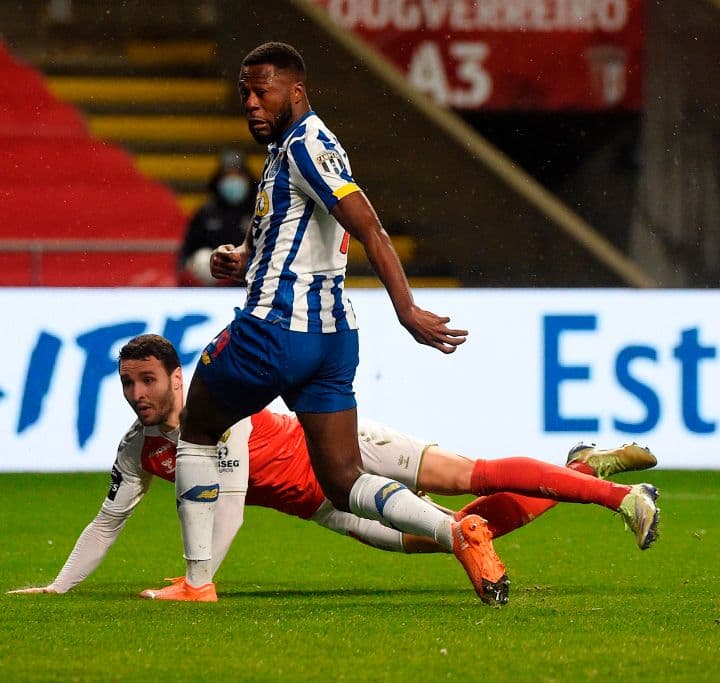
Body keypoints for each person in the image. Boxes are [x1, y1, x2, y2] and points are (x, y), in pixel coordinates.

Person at [168, 40, 495, 602]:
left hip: (273, 330)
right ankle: (455, 529)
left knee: (196, 426)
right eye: (244, 91)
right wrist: (242, 259)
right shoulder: (287, 150)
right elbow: (297, 236)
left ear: (296, 91)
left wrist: (408, 310)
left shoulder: (306, 146)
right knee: (343, 481)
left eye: (261, 90)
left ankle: (197, 582)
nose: (249, 102)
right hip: (332, 341)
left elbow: (372, 229)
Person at [8, 335, 658, 603]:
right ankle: (580, 468)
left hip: (346, 448)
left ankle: (614, 492)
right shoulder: (138, 447)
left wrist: (198, 581)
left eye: (147, 379)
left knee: (474, 473)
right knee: (452, 528)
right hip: (325, 505)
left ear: (176, 378)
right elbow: (107, 519)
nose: (136, 393)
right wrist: (59, 588)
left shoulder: (218, 411)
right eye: (127, 382)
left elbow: (227, 501)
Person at [177, 150, 257, 286]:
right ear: (219, 179)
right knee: (202, 257)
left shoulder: (259, 212)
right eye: (228, 175)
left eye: (237, 175)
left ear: (246, 178)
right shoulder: (205, 213)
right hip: (210, 286)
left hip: (250, 283)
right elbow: (186, 253)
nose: (233, 181)